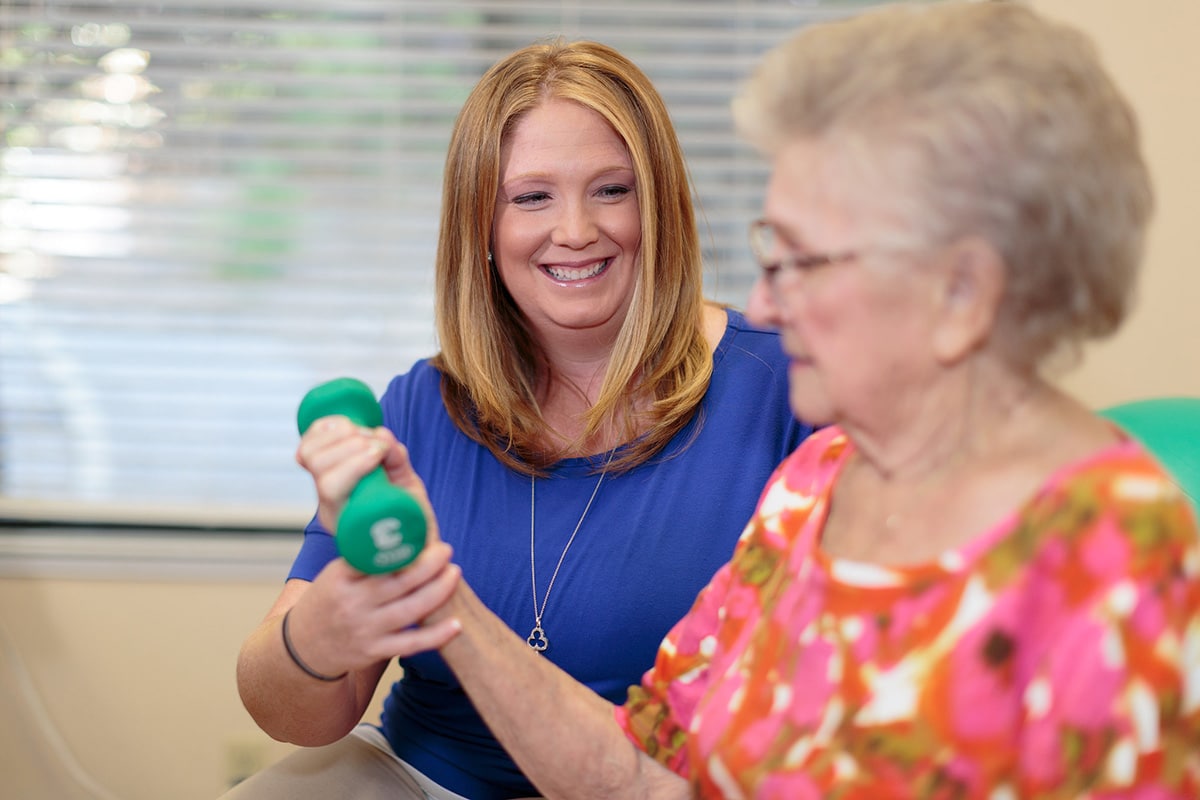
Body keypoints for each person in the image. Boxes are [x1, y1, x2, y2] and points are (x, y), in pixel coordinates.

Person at [313, 3, 1200, 798]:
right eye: (768, 251)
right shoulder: (816, 484)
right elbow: (641, 777)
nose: (763, 306)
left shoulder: (1116, 555)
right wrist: (436, 590)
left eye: (803, 261)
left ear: (962, 292)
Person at [226, 38, 813, 800]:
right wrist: (321, 634)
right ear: (482, 227)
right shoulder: (422, 407)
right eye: (531, 197)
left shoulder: (785, 393)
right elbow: (295, 715)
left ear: (660, 206)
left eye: (612, 190)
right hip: (419, 773)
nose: (575, 231)